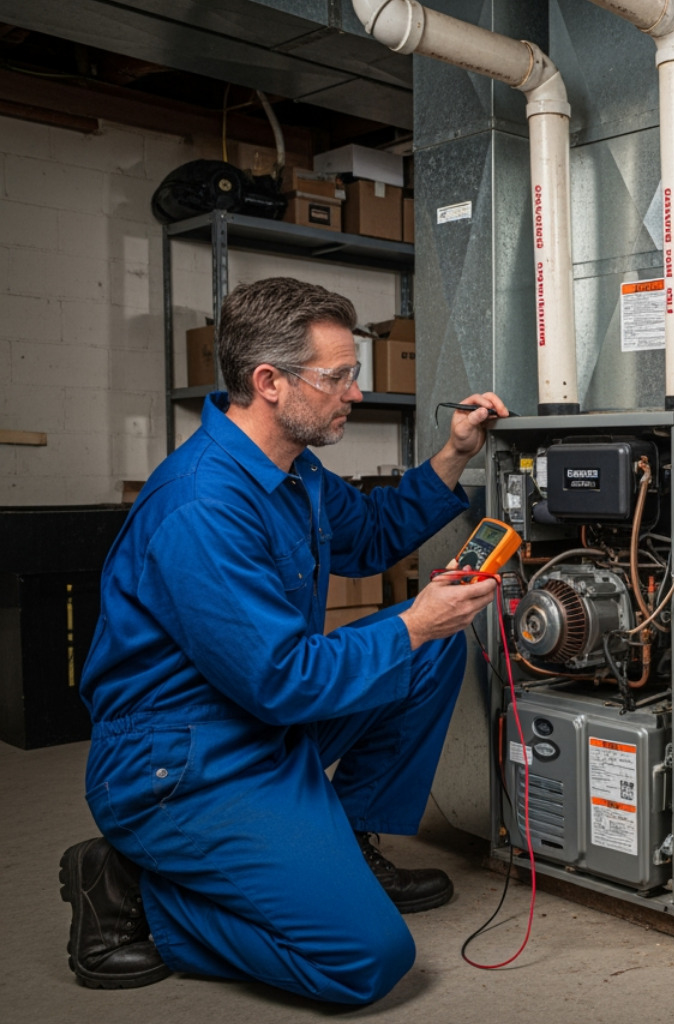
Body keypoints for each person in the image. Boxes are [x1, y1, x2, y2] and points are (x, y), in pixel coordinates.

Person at [61, 276, 509, 1005]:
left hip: (259, 722)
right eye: (338, 377)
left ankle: (349, 847)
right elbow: (283, 681)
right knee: (366, 959)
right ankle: (134, 893)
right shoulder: (202, 506)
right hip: (183, 762)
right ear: (268, 382)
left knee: (429, 654)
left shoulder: (292, 470)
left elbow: (371, 535)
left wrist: (455, 453)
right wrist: (411, 621)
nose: (355, 394)